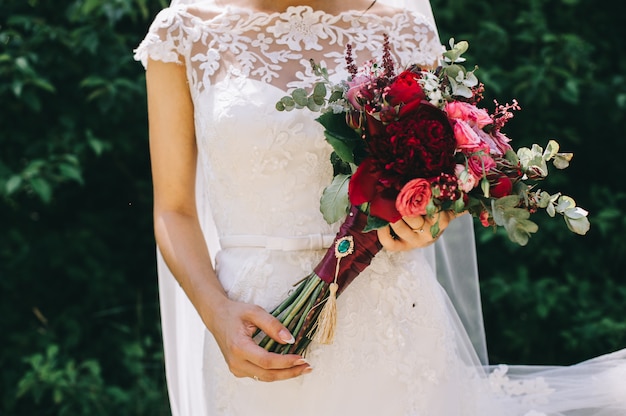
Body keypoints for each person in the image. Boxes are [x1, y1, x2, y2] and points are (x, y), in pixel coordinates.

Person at [134, 0, 626, 414]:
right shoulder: (186, 32)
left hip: (391, 314)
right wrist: (218, 314)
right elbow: (172, 208)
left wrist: (428, 221)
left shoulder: (401, 26)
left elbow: (442, 179)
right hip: (255, 326)